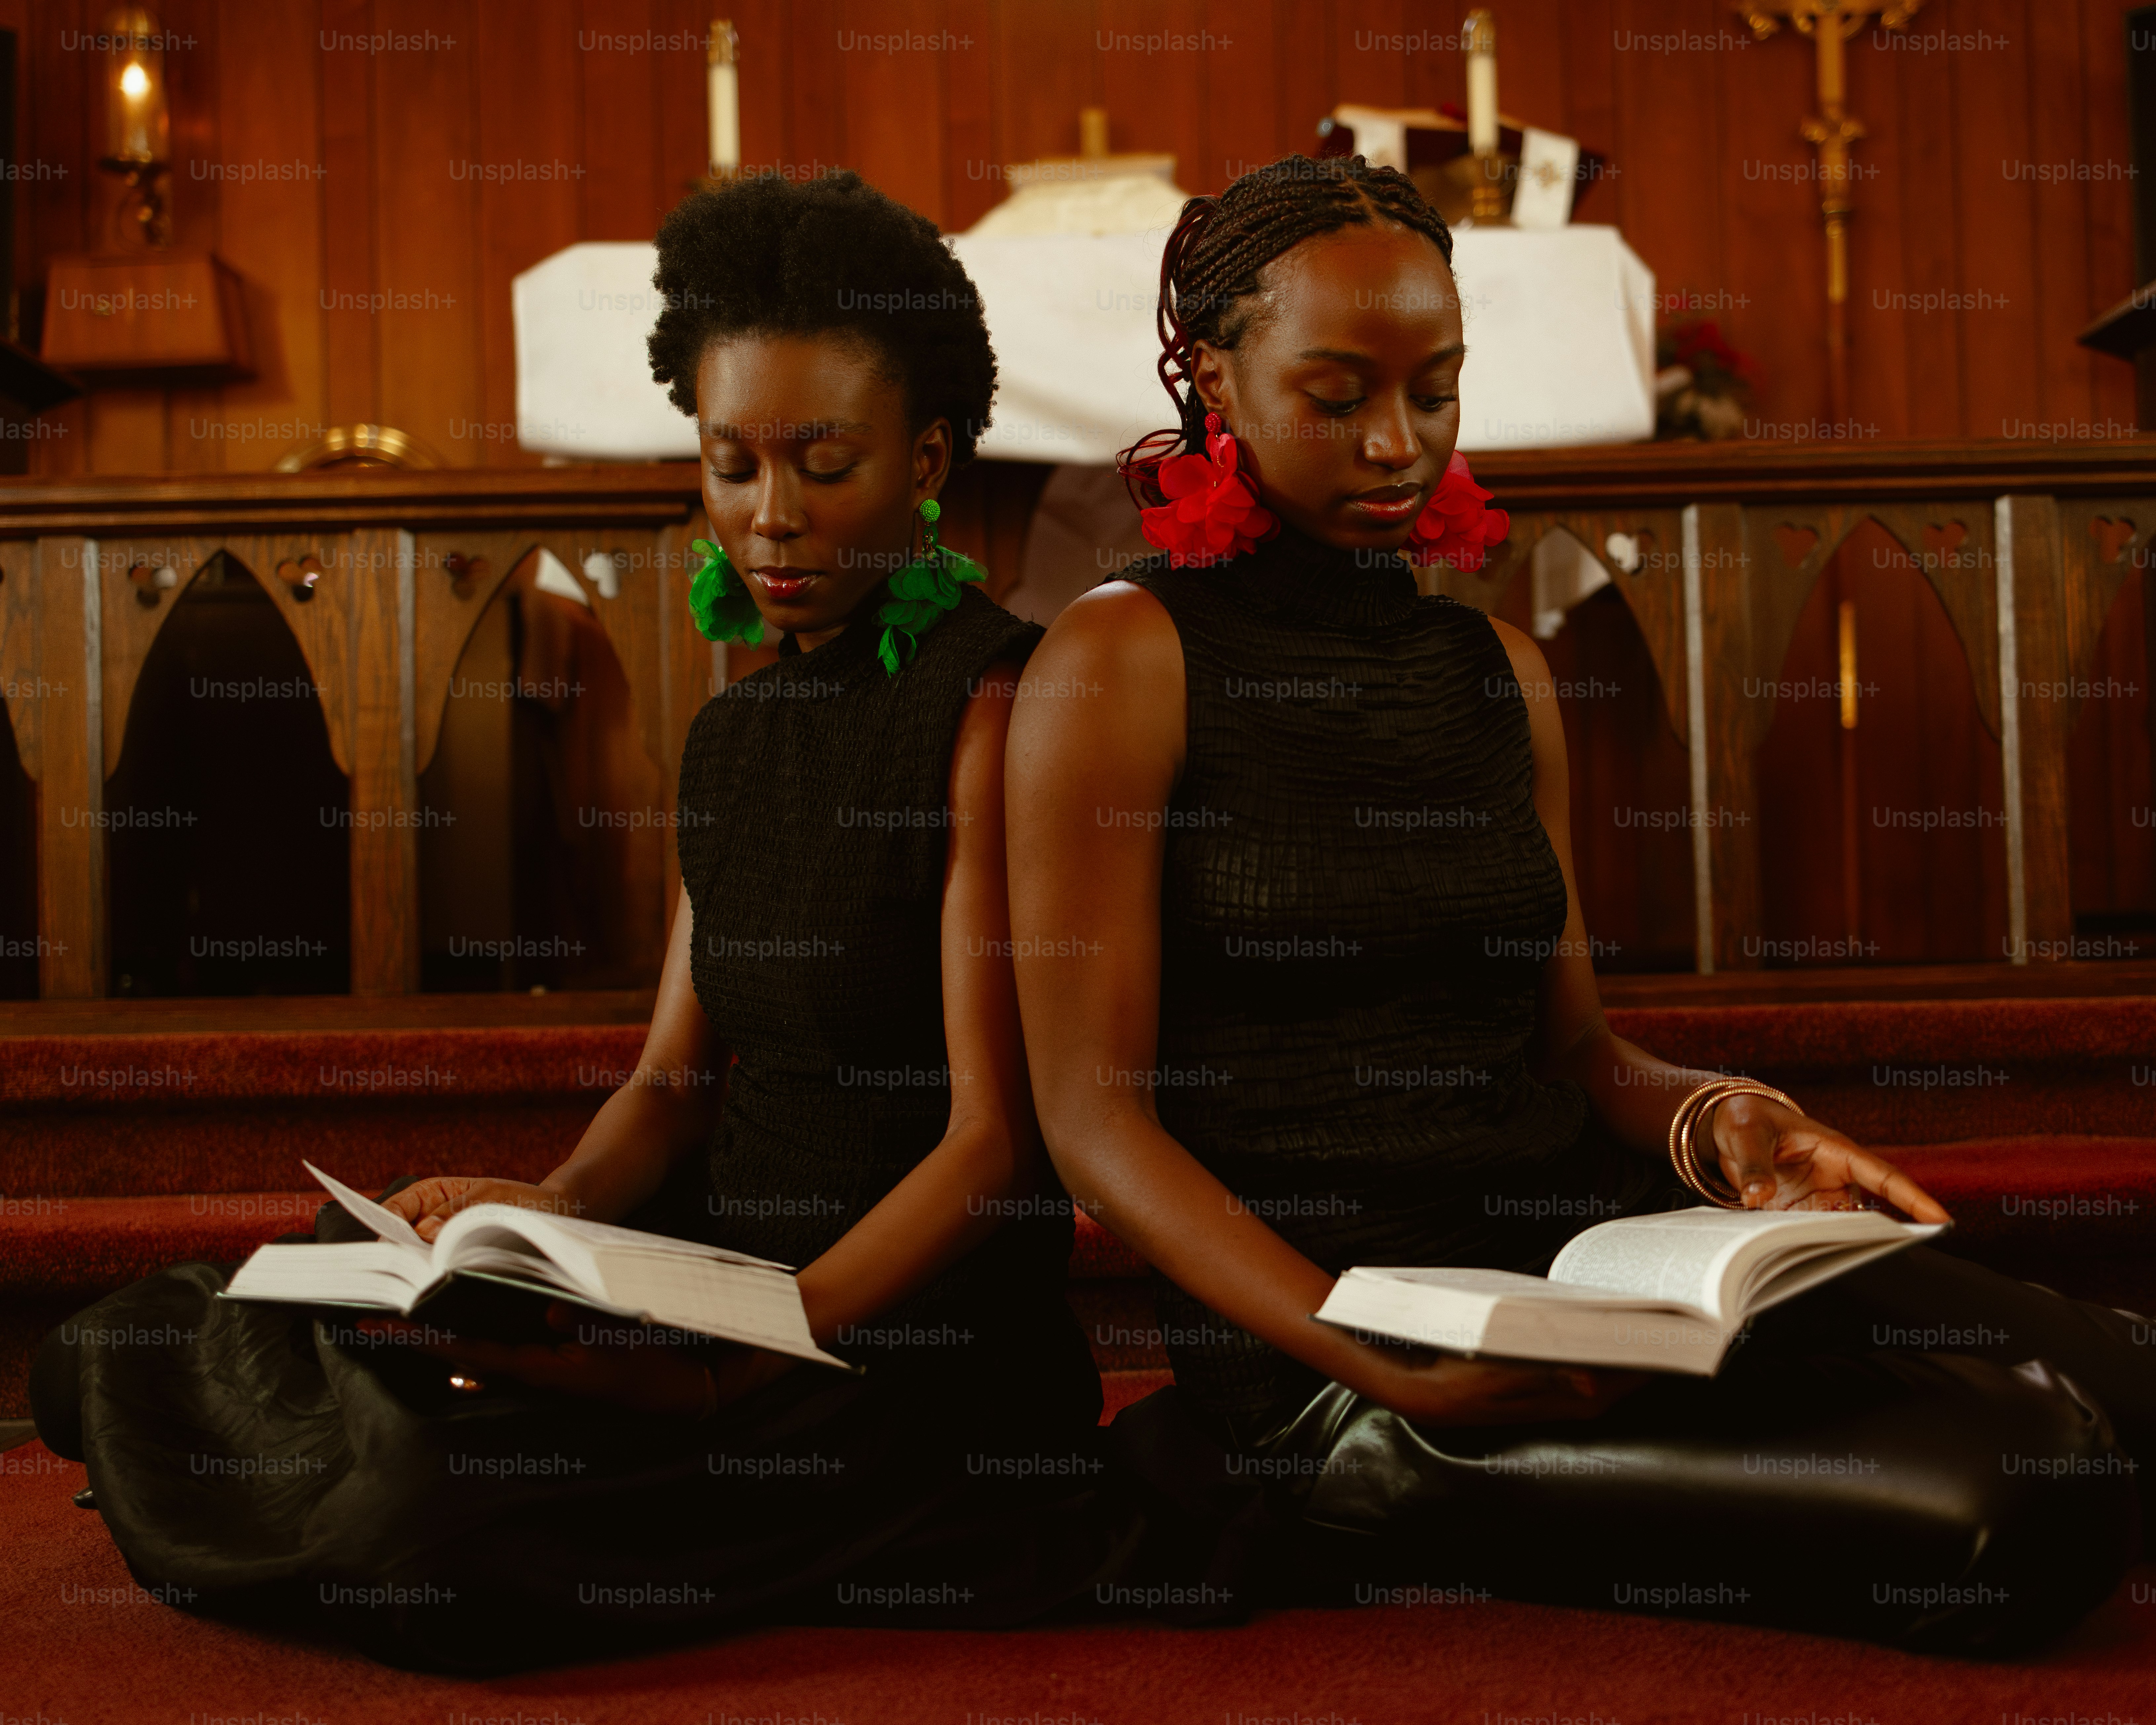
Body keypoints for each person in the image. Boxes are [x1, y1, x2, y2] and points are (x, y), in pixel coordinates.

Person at [1003, 153, 2155, 1654]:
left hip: (1582, 1264)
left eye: (1435, 389)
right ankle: (1367, 1481)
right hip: (1337, 1361)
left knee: (2129, 1382)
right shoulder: (1118, 659)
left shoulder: (1499, 676)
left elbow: (1572, 1055)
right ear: (1214, 376)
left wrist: (1726, 1120)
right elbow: (1095, 1124)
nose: (1396, 445)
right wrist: (1366, 1343)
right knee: (2026, 1491)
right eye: (1336, 393)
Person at [32, 170, 1127, 1674]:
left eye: (823, 462)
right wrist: (537, 1208)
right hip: (716, 1280)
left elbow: (993, 1149)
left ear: (925, 458)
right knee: (184, 1319)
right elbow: (672, 1091)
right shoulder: (734, 735)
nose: (771, 515)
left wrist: (730, 1374)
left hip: (881, 1343)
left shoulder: (994, 702)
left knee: (416, 1509)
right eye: (731, 463)